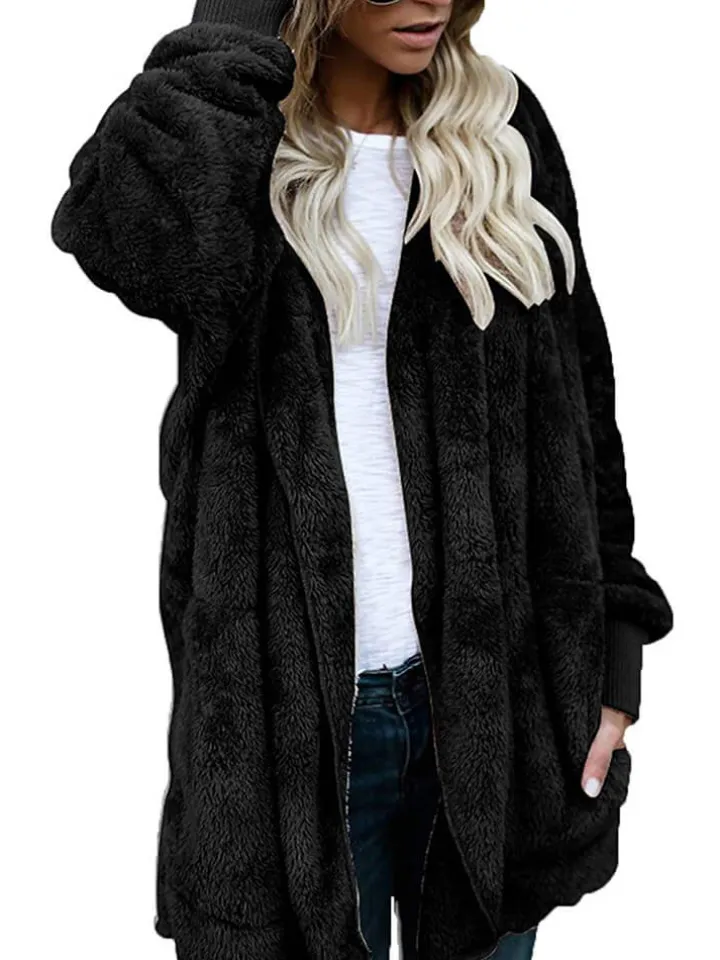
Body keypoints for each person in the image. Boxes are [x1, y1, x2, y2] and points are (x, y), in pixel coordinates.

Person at [49, 0, 674, 958]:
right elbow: (130, 238)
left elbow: (581, 405)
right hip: (285, 733)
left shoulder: (498, 129)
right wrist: (235, 23)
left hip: (496, 712)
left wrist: (614, 653)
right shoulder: (237, 141)